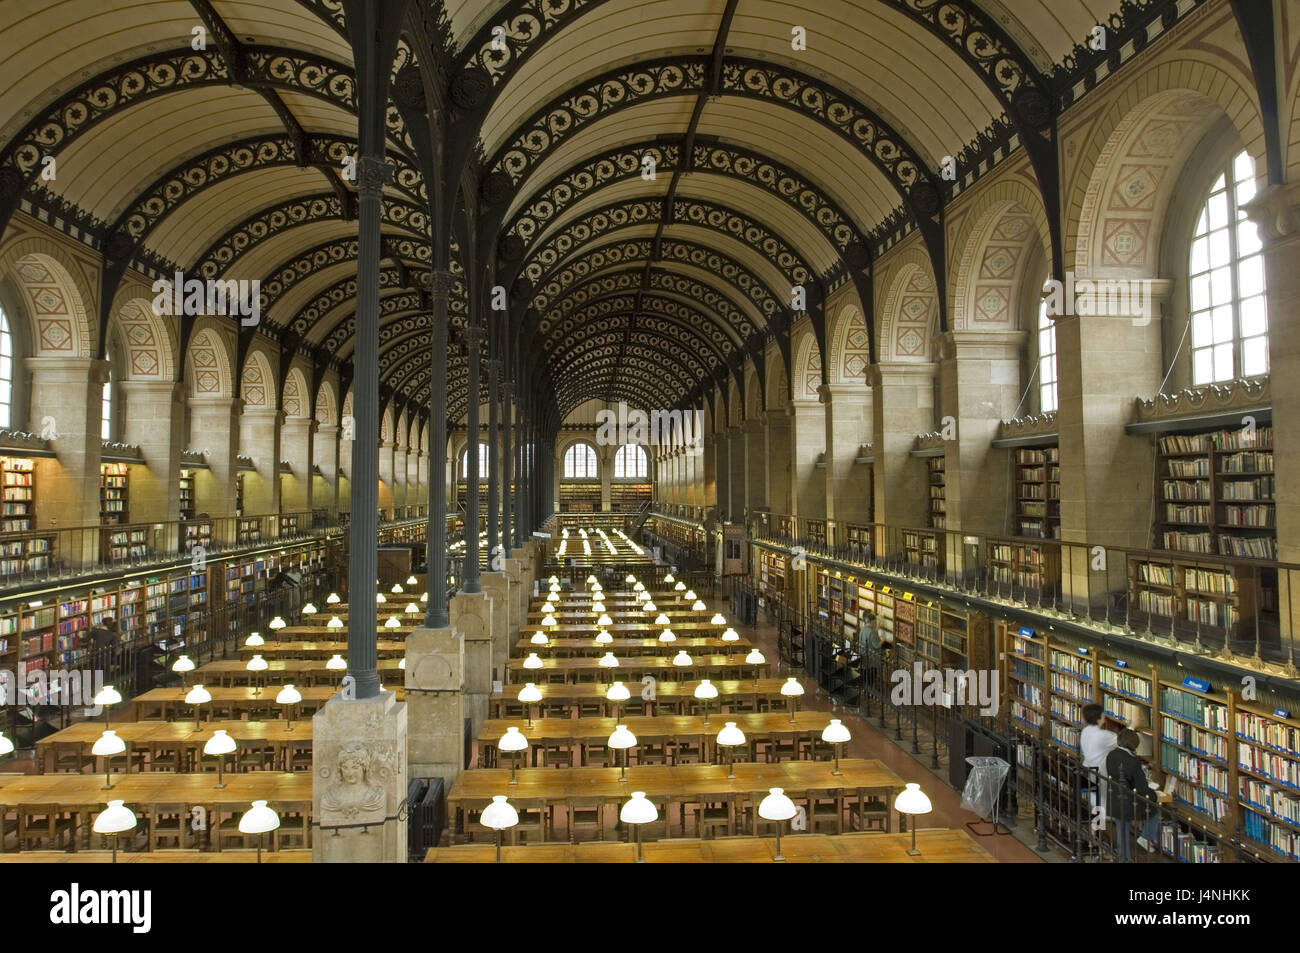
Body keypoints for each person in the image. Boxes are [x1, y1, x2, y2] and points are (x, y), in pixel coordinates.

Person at [1105, 728, 1160, 861]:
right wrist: (1154, 795)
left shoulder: (1111, 755)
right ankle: (1146, 837)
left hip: (1114, 799)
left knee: (1121, 829)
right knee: (1155, 810)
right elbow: (1141, 789)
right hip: (1131, 802)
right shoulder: (1133, 761)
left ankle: (1124, 858)